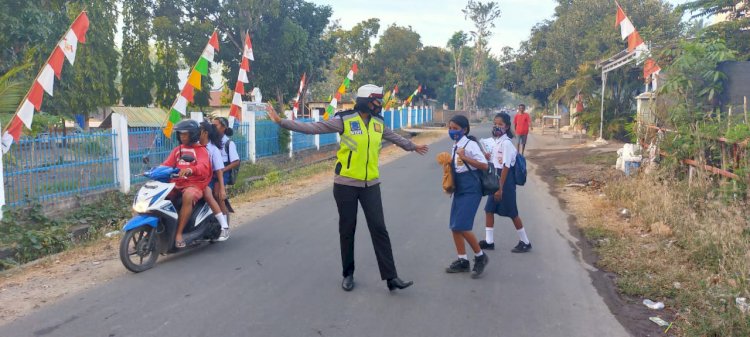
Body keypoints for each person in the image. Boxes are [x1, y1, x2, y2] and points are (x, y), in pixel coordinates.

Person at [265, 84, 429, 292]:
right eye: (375, 101)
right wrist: (282, 122)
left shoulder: (378, 123)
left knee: (379, 228)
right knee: (347, 229)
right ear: (365, 101)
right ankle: (348, 274)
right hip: (346, 185)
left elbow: (393, 137)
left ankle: (391, 277)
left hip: (371, 184)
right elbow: (315, 128)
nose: (379, 105)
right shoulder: (345, 120)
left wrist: (412, 146)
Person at [480, 112, 532, 253]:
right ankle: (489, 241)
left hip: (505, 181)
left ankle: (525, 242)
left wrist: (500, 188)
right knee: (489, 210)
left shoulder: (507, 143)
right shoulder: (497, 141)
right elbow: (496, 162)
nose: (497, 126)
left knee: (512, 212)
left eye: (500, 124)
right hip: (497, 179)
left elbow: (506, 166)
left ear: (507, 126)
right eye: (495, 124)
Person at [445, 115, 489, 278]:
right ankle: (462, 260)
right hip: (460, 188)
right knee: (455, 226)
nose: (452, 131)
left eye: (455, 128)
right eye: (450, 128)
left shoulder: (470, 145)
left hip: (472, 189)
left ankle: (480, 256)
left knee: (463, 226)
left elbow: (484, 165)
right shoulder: (456, 145)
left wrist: (465, 157)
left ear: (465, 129)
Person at [161, 120, 212, 248]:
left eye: (185, 134)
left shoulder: (201, 150)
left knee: (188, 195)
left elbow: (203, 166)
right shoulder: (178, 150)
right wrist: (155, 171)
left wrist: (190, 170)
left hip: (194, 184)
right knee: (159, 195)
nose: (182, 137)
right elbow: (167, 164)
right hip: (177, 182)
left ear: (193, 134)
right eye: (180, 134)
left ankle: (178, 234)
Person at [199, 120, 230, 241]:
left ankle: (224, 227)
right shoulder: (194, 146)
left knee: (207, 193)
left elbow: (219, 171)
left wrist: (222, 188)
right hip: (192, 178)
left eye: (199, 131)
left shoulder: (213, 150)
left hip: (208, 179)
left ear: (205, 133)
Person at [212, 117, 240, 222]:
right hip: (212, 169)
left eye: (215, 125)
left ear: (223, 128)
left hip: (224, 170)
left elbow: (236, 161)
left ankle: (223, 223)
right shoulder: (212, 141)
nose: (213, 127)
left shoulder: (229, 143)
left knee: (217, 193)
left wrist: (223, 170)